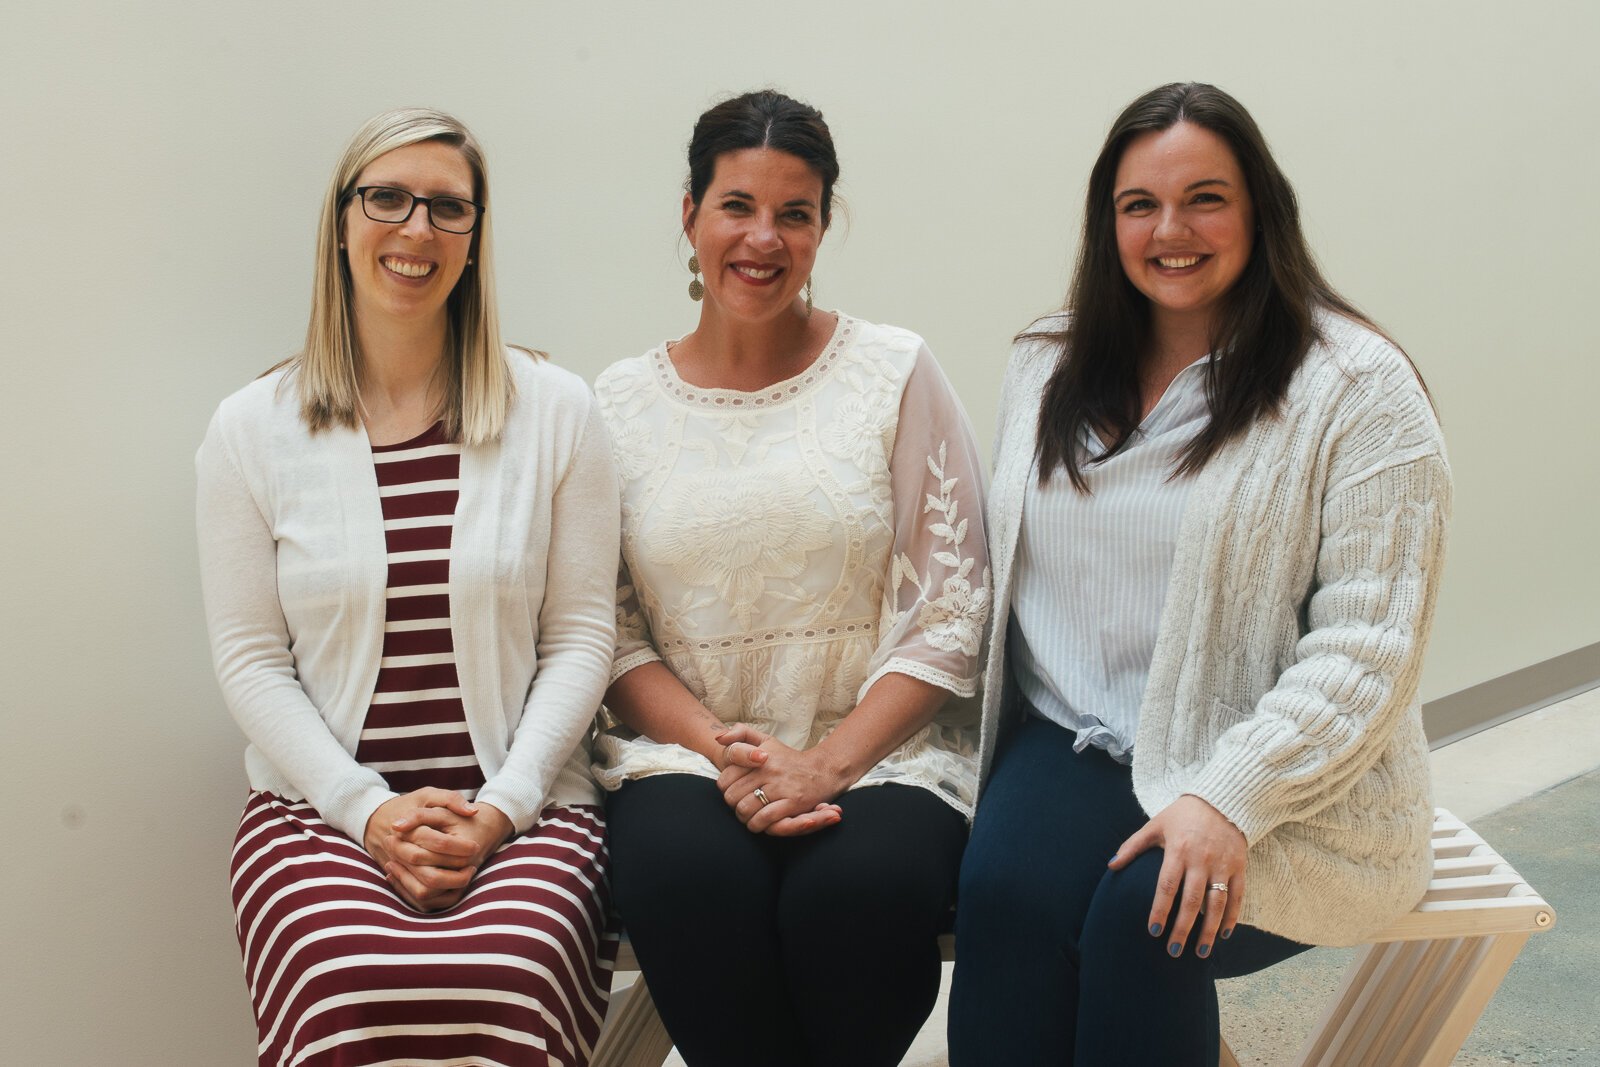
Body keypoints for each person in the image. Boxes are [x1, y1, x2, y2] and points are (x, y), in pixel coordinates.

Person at [947, 82, 1451, 1065]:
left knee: (1151, 915)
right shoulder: (1043, 363)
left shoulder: (1354, 387)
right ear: (1108, 222)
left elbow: (1368, 645)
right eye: (1140, 204)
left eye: (1205, 197)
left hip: (1275, 768)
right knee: (1001, 901)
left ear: (1261, 209)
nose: (1170, 229)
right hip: (1071, 735)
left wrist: (1229, 795)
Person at [196, 107, 620, 1067]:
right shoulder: (248, 429)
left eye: (448, 208)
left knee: (508, 966)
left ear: (475, 239)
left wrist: (503, 806)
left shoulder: (558, 412)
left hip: (528, 811)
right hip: (320, 815)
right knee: (348, 973)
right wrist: (367, 808)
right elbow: (251, 660)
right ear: (340, 223)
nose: (416, 229)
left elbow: (582, 637)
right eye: (386, 198)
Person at [591, 89, 990, 1067]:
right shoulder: (616, 404)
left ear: (822, 225)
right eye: (736, 205)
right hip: (681, 755)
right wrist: (718, 746)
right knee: (690, 882)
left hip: (881, 751)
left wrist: (828, 761)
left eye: (794, 212)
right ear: (688, 215)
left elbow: (951, 606)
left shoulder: (893, 371)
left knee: (850, 894)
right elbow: (606, 625)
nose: (762, 238)